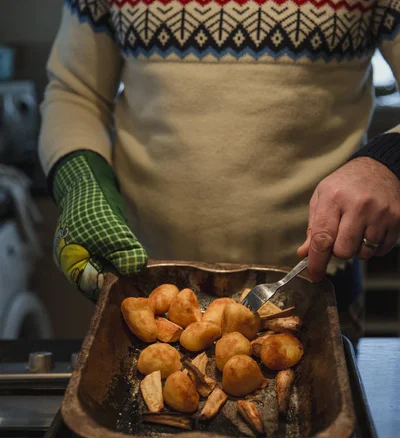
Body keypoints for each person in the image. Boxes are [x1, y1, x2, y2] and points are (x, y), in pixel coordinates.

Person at [39, 0, 400, 345]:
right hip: (145, 279)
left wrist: (387, 162)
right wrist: (81, 180)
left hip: (314, 279)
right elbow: (76, 92)